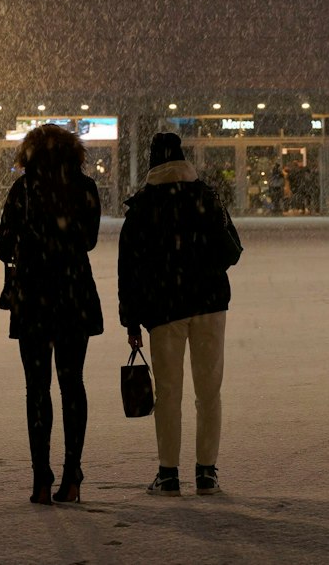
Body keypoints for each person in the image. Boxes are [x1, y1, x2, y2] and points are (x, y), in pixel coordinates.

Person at [119, 132, 243, 496]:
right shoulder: (206, 196)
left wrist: (131, 319)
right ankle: (206, 473)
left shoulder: (142, 206)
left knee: (168, 394)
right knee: (209, 392)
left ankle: (168, 474)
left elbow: (129, 269)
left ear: (153, 162)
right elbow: (231, 252)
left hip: (164, 309)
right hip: (209, 304)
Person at [0, 124, 102, 506]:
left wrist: (30, 240)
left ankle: (41, 478)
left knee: (36, 389)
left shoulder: (22, 189)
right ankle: (72, 475)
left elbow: (2, 245)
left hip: (34, 296)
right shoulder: (84, 187)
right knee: (72, 384)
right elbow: (89, 239)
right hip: (73, 294)